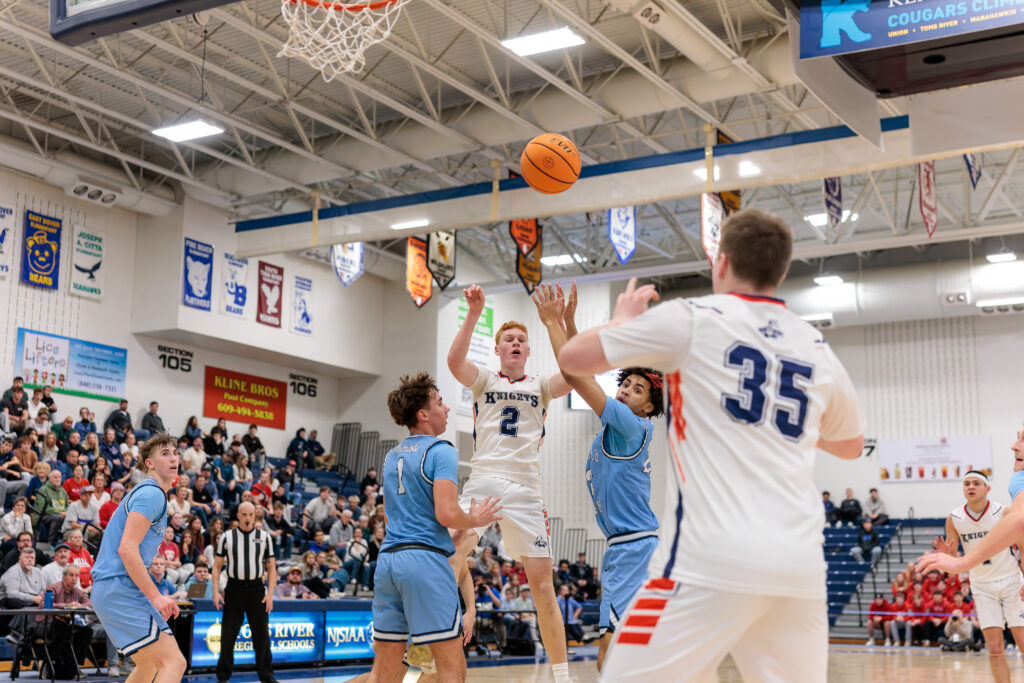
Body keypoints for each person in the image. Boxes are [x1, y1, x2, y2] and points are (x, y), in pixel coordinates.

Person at [558, 209, 865, 682]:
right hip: (797, 565)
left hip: (706, 560)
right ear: (781, 272)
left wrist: (621, 320)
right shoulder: (816, 345)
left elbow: (573, 358)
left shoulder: (694, 318)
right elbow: (850, 446)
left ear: (720, 263)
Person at [447, 284, 575, 683]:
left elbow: (574, 375)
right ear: (498, 350)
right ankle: (425, 642)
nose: (515, 343)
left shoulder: (541, 385)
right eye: (509, 339)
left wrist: (556, 324)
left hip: (525, 489)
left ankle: (562, 676)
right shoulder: (485, 379)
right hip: (484, 479)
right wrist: (473, 314)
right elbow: (454, 362)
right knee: (451, 553)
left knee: (543, 586)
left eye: (521, 339)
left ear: (528, 350)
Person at [365, 372, 501, 683]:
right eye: (440, 403)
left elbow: (388, 517)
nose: (447, 408)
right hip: (425, 561)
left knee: (383, 673)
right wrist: (475, 519)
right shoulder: (442, 450)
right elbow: (447, 513)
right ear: (423, 415)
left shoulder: (391, 456)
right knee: (452, 670)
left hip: (388, 562)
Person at [89, 434, 186, 682]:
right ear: (149, 464)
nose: (173, 458)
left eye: (175, 453)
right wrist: (155, 596)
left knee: (149, 665)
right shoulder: (152, 494)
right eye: (165, 453)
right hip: (118, 585)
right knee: (173, 663)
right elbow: (127, 549)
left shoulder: (150, 494)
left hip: (110, 588)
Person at [921, 470, 1024, 681]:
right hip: (981, 585)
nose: (971, 487)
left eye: (976, 483)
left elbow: (1022, 546)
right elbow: (953, 561)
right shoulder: (954, 518)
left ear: (987, 488)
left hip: (1011, 580)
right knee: (994, 648)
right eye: (967, 483)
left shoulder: (1003, 512)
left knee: (1022, 642)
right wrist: (946, 556)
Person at [212, 501, 278, 683]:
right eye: (244, 515)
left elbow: (272, 567)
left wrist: (270, 595)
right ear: (238, 516)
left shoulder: (265, 537)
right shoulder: (227, 537)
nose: (248, 518)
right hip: (234, 588)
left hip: (257, 590)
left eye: (251, 514)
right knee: (228, 634)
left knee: (262, 635)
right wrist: (215, 592)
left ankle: (267, 676)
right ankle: (223, 677)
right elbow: (216, 567)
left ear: (255, 516)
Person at [36, 468, 70, 545]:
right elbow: (43, 508)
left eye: (59, 477)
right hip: (43, 516)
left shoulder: (62, 490)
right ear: (50, 479)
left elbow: (67, 505)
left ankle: (67, 542)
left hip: (60, 515)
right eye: (55, 477)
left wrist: (66, 512)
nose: (58, 479)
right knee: (58, 517)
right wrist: (60, 513)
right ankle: (51, 542)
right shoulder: (43, 489)